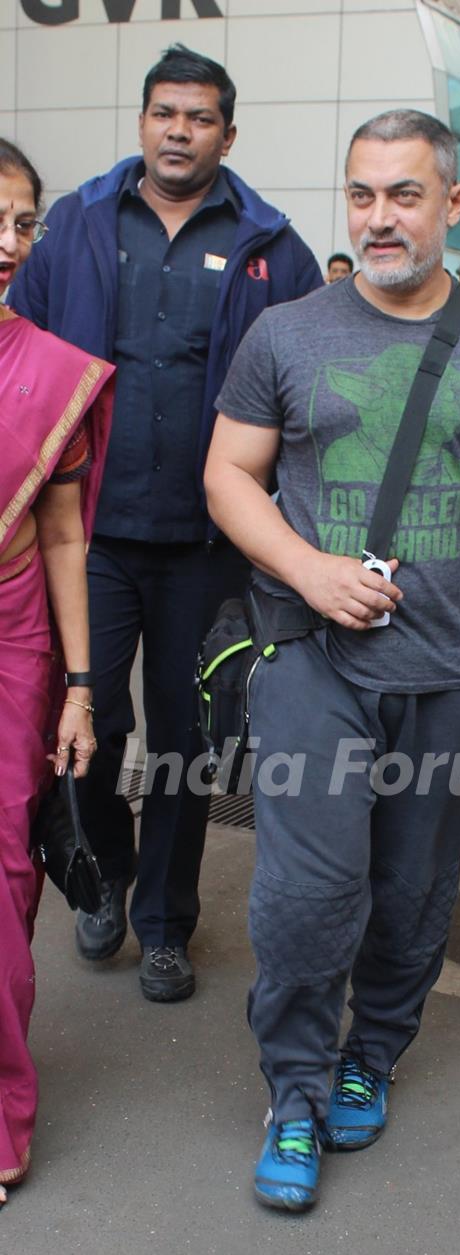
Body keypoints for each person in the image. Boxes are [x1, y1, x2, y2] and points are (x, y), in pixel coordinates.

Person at [205, 108, 460, 1211]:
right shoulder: (286, 332)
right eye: (361, 193)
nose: (378, 217)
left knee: (414, 894)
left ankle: (375, 1049)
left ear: (452, 205)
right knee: (307, 896)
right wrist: (307, 567)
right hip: (314, 657)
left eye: (404, 195)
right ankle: (299, 1092)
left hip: (453, 666)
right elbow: (229, 475)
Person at [10, 44, 323, 1004]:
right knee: (90, 716)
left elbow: (310, 386)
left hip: (208, 546)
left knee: (189, 741)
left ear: (229, 132)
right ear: (142, 122)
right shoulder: (76, 226)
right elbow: (17, 355)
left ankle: (165, 922)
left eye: (197, 117)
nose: (177, 130)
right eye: (162, 113)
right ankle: (101, 880)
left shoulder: (274, 246)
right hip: (88, 535)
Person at [0, 139, 114, 1203]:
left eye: (23, 222)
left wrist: (82, 685)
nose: (7, 245)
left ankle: (0, 1116)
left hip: (13, 641)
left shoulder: (49, 371)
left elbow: (66, 534)